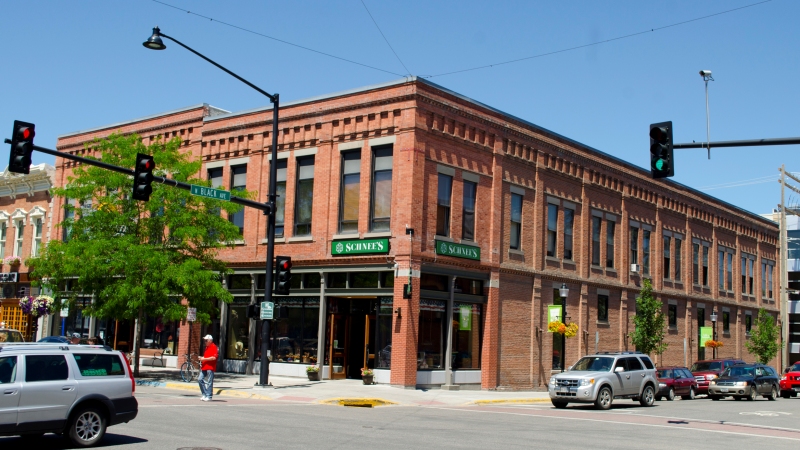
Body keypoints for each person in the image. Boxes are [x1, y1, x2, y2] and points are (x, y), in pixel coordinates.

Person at [198, 334, 218, 402]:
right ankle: (204, 394)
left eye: (206, 340)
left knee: (209, 382)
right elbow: (207, 357)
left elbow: (214, 357)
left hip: (210, 367)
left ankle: (209, 396)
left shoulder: (213, 347)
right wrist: (202, 358)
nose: (205, 342)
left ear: (210, 341)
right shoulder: (206, 347)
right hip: (204, 367)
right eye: (204, 340)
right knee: (200, 379)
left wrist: (204, 359)